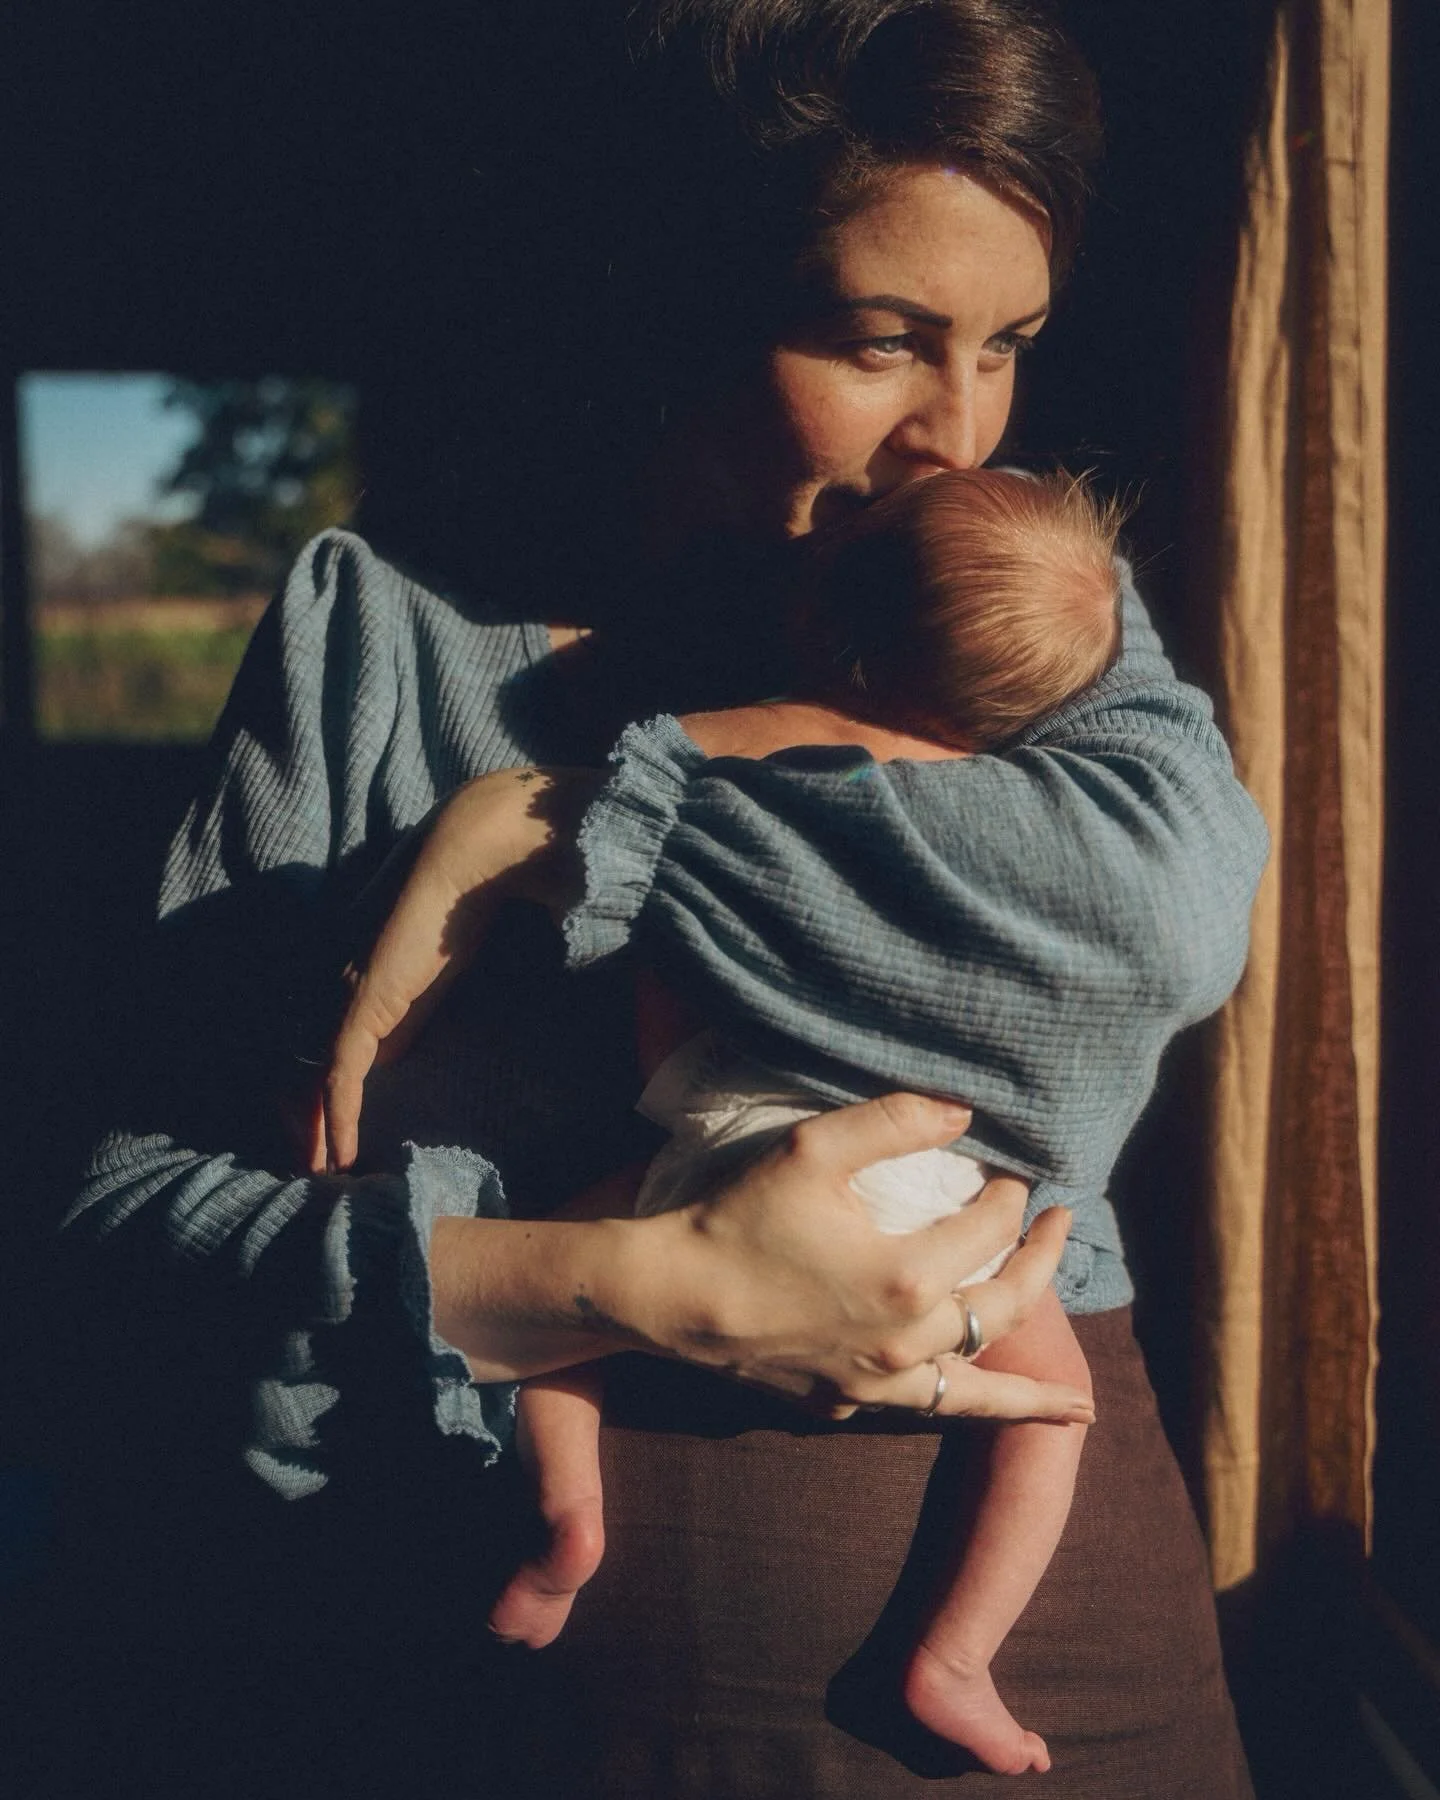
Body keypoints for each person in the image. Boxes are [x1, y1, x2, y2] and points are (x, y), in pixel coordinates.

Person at [66, 3, 1267, 1794]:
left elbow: (1162, 933)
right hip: (581, 1641)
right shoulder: (387, 635)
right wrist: (624, 1279)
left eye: (1008, 343)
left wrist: (570, 824)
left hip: (1060, 1612)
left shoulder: (1021, 605)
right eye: (882, 342)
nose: (959, 432)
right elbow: (114, 1223)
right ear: (690, 287)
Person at [440, 466, 1124, 1777]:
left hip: (717, 1143)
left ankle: (565, 1524)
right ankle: (956, 1655)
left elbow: (654, 965)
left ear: (839, 619)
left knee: (554, 1296)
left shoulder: (712, 752)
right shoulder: (1024, 829)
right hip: (929, 1172)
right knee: (1055, 1404)